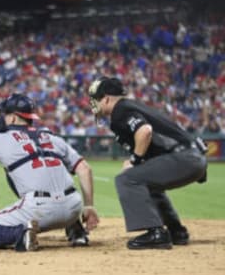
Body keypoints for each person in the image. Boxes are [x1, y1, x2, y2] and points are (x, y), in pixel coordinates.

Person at [0, 94, 99, 251]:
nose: (1, 118)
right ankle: (77, 232)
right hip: (73, 207)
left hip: (40, 210)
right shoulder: (51, 137)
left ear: (13, 118)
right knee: (51, 178)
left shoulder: (0, 138)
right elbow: (84, 168)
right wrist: (89, 206)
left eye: (4, 114)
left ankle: (21, 234)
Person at [88, 76, 208, 250]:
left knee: (126, 179)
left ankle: (156, 233)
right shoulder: (133, 106)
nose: (94, 103)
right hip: (193, 156)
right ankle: (176, 231)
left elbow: (145, 131)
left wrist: (134, 160)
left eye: (96, 99)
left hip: (184, 158)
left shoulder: (120, 110)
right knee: (146, 182)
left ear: (106, 98)